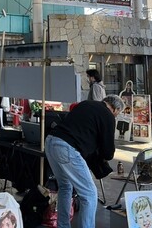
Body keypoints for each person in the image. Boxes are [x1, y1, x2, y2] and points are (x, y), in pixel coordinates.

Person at [44, 95, 125, 228]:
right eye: (117, 114)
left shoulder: (85, 104)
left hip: (51, 142)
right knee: (89, 194)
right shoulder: (108, 115)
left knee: (65, 187)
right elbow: (108, 151)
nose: (116, 116)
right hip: (67, 148)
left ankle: (63, 225)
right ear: (115, 109)